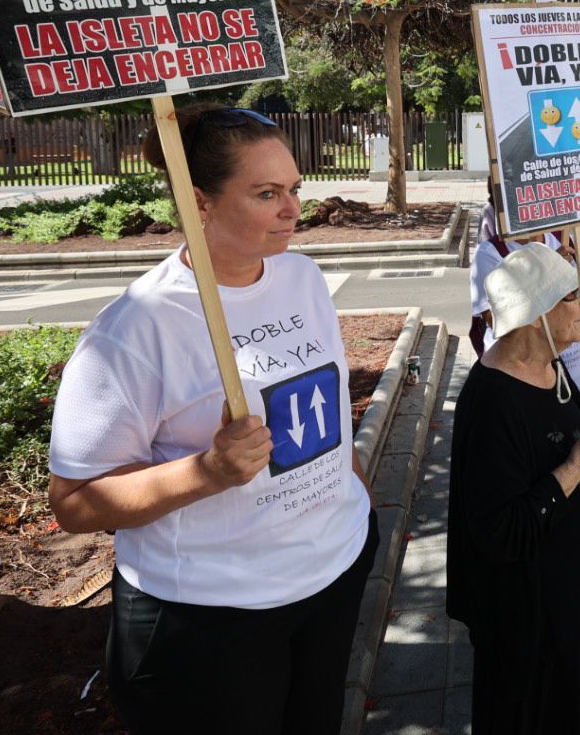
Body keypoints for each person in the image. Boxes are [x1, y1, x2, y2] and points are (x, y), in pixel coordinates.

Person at [48, 106, 376, 734]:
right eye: (267, 194)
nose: (292, 210)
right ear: (200, 203)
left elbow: (325, 407)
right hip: (212, 617)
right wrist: (207, 471)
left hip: (330, 577)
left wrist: (355, 494)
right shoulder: (138, 327)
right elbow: (74, 502)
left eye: (294, 189)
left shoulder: (302, 276)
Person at [447, 243, 580, 731]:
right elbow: (499, 532)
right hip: (537, 623)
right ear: (534, 316)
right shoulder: (492, 402)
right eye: (571, 298)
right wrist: (578, 466)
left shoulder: (552, 366)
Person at [470, 184, 580, 389]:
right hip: (522, 371)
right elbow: (497, 322)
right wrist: (548, 267)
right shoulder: (490, 253)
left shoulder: (562, 239)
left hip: (570, 365)